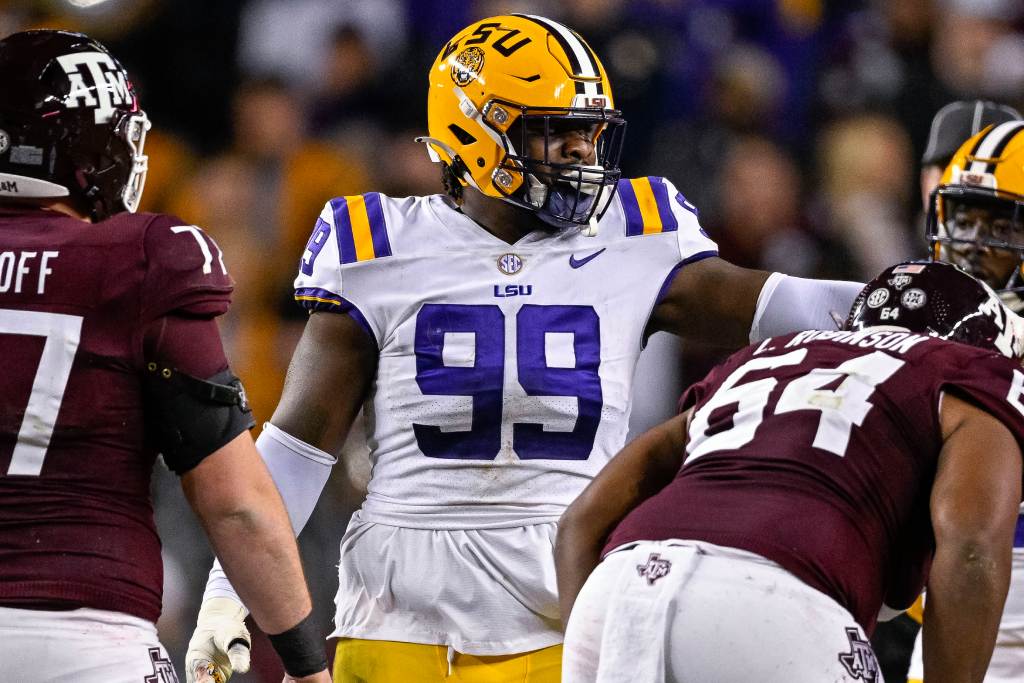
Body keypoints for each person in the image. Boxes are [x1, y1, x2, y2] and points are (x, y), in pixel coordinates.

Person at [188, 14, 862, 682]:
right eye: (556, 135)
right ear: (473, 132)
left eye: (589, 135)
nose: (581, 156)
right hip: (401, 625)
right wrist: (226, 591)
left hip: (567, 622)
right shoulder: (382, 245)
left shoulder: (632, 235)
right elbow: (299, 450)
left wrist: (912, 298)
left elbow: (778, 301)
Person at [0, 30, 330, 683]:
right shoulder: (139, 258)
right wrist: (303, 662)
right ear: (79, 144)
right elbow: (234, 501)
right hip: (83, 631)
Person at [557, 260, 1024, 682]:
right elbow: (971, 548)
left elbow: (580, 522)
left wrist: (591, 638)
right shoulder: (971, 374)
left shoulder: (761, 359)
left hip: (617, 588)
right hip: (778, 604)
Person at [899, 114, 1024, 683]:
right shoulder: (920, 326)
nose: (972, 245)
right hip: (957, 598)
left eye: (1001, 225)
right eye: (964, 220)